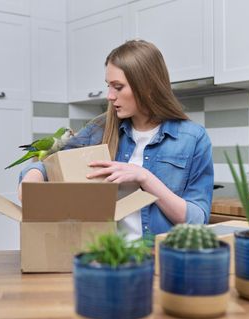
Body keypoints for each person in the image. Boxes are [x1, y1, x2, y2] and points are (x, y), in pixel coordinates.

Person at [18, 40, 213, 238]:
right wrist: (32, 176)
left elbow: (197, 221)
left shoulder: (193, 138)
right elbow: (54, 164)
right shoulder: (101, 129)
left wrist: (145, 177)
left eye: (118, 87)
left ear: (147, 87)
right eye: (108, 86)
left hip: (158, 259)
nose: (110, 96)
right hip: (106, 255)